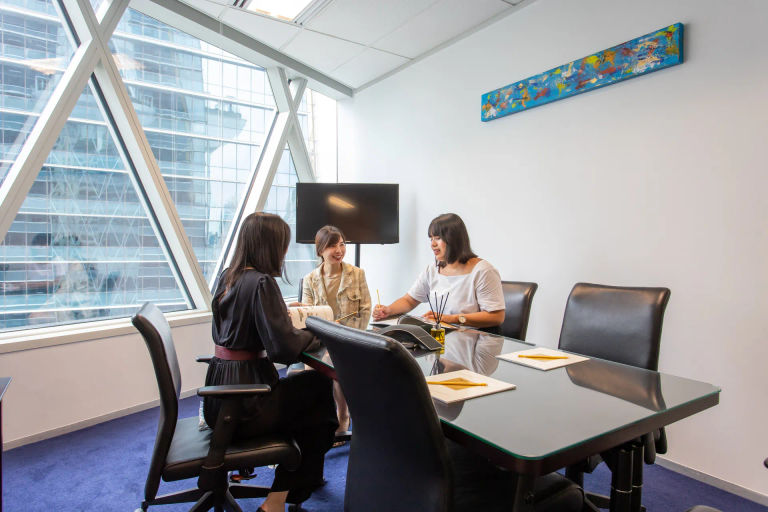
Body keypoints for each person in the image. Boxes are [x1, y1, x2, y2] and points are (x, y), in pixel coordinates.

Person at [204, 212, 337, 512]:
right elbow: (284, 350)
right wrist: (318, 332)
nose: (285, 251)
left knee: (308, 393)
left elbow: (243, 326)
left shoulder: (228, 277)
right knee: (319, 397)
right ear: (271, 246)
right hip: (247, 404)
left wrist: (280, 312)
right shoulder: (262, 282)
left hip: (218, 399)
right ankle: (279, 498)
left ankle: (296, 484)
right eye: (283, 244)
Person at [373, 213, 505, 333]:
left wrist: (451, 319)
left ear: (454, 240)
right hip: (440, 337)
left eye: (437, 238)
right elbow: (409, 300)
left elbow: (496, 316)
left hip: (472, 341)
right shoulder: (432, 269)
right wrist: (388, 310)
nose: (432, 244)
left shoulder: (483, 271)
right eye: (431, 239)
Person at [297, 225, 371, 443]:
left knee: (338, 365)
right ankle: (318, 419)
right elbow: (307, 315)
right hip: (319, 340)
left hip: (349, 339)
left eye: (342, 244)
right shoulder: (310, 279)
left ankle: (343, 416)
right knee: (312, 373)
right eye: (332, 246)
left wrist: (346, 337)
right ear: (320, 250)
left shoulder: (357, 274)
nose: (339, 250)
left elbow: (365, 310)